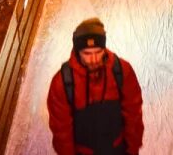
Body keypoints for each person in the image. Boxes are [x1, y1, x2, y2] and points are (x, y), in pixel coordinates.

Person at [47, 18, 144, 155]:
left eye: (98, 52)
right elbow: (61, 130)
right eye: (87, 53)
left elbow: (133, 113)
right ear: (77, 51)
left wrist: (132, 149)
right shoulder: (63, 82)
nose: (93, 59)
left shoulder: (121, 71)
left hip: (118, 149)